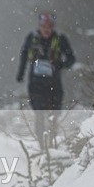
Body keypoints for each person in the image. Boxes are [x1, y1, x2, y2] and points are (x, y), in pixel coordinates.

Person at [16, 11, 76, 146]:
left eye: (49, 27)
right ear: (39, 26)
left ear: (53, 27)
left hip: (54, 83)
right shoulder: (32, 38)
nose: (47, 30)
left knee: (53, 114)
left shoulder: (60, 39)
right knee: (39, 114)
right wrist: (20, 73)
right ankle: (42, 144)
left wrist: (60, 64)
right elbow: (24, 55)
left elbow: (71, 58)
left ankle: (52, 143)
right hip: (35, 83)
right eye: (44, 27)